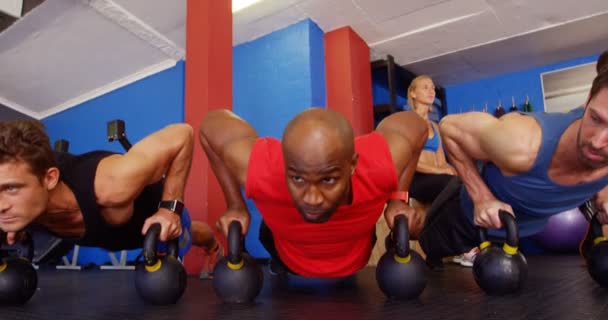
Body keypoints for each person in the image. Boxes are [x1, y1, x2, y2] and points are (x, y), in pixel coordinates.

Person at [198, 107, 427, 278]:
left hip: (354, 260)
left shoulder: (377, 166)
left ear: (353, 165)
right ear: (284, 165)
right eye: (297, 178)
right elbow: (210, 126)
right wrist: (235, 205)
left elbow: (418, 126)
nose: (312, 198)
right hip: (287, 259)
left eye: (328, 179)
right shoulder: (264, 170)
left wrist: (398, 200)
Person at [418, 69, 608, 269]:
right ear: (587, 101)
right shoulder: (520, 144)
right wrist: (482, 198)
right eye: (596, 119)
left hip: (522, 232)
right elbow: (449, 127)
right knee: (431, 252)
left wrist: (603, 194)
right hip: (465, 216)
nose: (596, 142)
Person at [0, 120, 221, 279]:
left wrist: (169, 210)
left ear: (49, 179)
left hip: (151, 222)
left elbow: (181, 134)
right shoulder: (20, 203)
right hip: (111, 235)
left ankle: (213, 246)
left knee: (189, 234)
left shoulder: (113, 183)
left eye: (11, 188)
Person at [406, 75, 477, 267]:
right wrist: (441, 171)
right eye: (425, 87)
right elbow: (410, 161)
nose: (431, 91)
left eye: (433, 88)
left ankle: (441, 250)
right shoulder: (407, 122)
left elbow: (441, 160)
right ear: (413, 93)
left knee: (462, 184)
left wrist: (451, 170)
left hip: (436, 180)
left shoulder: (436, 127)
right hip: (416, 180)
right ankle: (462, 249)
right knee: (450, 184)